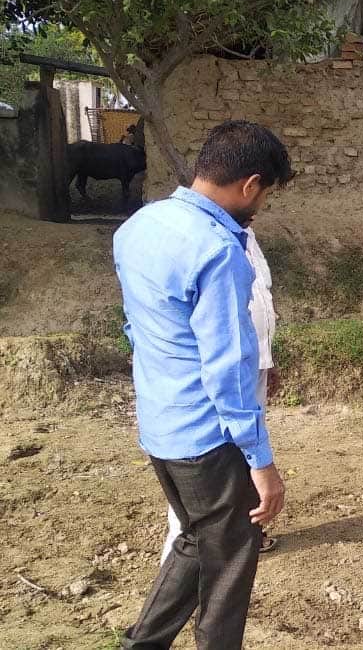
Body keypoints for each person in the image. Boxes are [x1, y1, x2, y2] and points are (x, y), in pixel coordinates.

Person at [114, 120, 292, 649]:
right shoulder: (219, 252)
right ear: (250, 184)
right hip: (207, 435)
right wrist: (263, 464)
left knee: (196, 538)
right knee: (230, 561)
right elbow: (229, 370)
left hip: (160, 424)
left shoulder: (139, 227)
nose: (259, 208)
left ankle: (140, 645)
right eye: (264, 196)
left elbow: (137, 329)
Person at [159, 224, 280, 564]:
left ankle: (242, 531)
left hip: (251, 362)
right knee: (208, 458)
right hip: (223, 368)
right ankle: (188, 543)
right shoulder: (202, 238)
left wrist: (269, 361)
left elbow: (260, 298)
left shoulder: (247, 234)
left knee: (243, 453)